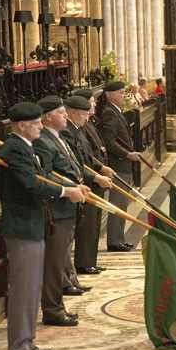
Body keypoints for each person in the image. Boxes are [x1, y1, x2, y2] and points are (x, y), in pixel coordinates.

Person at [0, 102, 85, 350]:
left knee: (33, 287)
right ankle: (19, 347)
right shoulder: (14, 148)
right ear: (22, 125)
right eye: (36, 123)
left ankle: (28, 341)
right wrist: (65, 192)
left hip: (34, 225)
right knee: (24, 289)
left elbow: (43, 177)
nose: (40, 127)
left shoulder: (25, 146)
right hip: (23, 226)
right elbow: (31, 184)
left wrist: (71, 187)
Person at [33, 96, 90, 326]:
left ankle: (57, 307)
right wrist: (69, 189)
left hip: (69, 206)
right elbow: (45, 177)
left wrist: (76, 185)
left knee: (60, 261)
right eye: (61, 112)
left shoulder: (56, 138)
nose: (66, 115)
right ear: (48, 117)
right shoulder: (42, 142)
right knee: (54, 264)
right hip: (56, 210)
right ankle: (53, 311)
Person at [70, 89, 115, 274]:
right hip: (86, 180)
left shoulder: (84, 125)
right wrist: (96, 174)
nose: (94, 104)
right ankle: (84, 262)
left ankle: (90, 261)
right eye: (90, 101)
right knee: (87, 226)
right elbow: (78, 159)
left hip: (95, 177)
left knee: (94, 224)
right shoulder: (71, 129)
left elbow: (89, 153)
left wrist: (101, 168)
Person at [101, 81, 142, 252]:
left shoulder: (115, 112)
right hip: (118, 165)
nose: (124, 96)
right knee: (117, 204)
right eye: (121, 93)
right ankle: (115, 241)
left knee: (122, 203)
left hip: (123, 166)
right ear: (112, 95)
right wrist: (127, 154)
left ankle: (119, 239)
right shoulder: (109, 113)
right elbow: (109, 141)